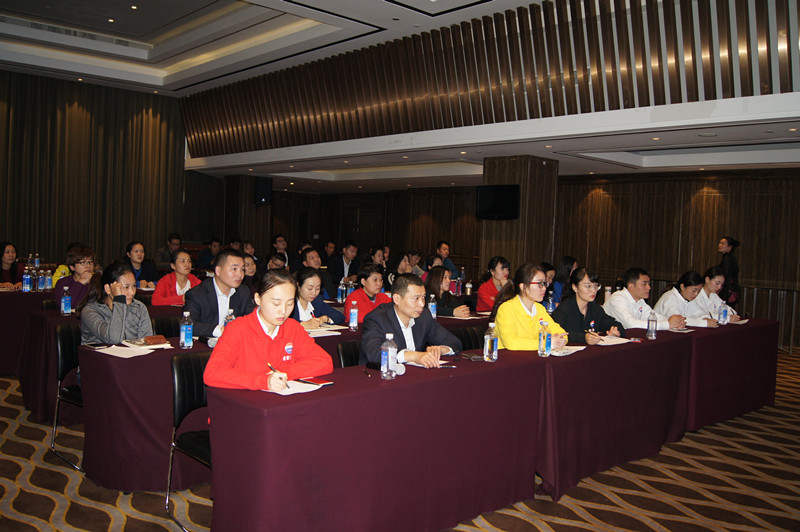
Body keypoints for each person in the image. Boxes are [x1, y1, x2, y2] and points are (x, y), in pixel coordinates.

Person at [203, 269, 333, 391]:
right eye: (276, 303)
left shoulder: (292, 328)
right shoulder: (237, 329)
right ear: (258, 299)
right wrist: (261, 380)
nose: (283, 311)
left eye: (289, 303)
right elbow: (213, 373)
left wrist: (283, 373)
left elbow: (324, 362)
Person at [359, 273, 462, 366]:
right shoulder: (376, 319)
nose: (422, 304)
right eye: (416, 298)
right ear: (397, 299)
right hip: (379, 376)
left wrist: (441, 349)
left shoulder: (424, 316)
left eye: (423, 297)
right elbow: (375, 355)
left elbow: (454, 342)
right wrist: (413, 356)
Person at [491, 263, 568, 350]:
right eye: (539, 284)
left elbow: (560, 332)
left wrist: (560, 340)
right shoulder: (506, 309)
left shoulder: (539, 309)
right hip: (506, 357)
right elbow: (511, 342)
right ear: (523, 286)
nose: (544, 288)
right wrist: (545, 343)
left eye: (544, 283)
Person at [183, 249, 256, 338]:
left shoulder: (243, 292)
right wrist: (222, 330)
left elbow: (254, 320)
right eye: (234, 269)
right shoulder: (197, 294)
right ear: (218, 271)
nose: (240, 274)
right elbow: (189, 326)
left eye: (242, 269)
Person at [78, 262, 153, 345]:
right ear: (108, 289)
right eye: (126, 287)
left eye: (134, 286)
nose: (132, 292)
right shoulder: (90, 311)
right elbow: (114, 339)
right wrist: (119, 300)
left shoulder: (139, 307)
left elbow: (147, 341)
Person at [552, 267, 624, 344]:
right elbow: (557, 334)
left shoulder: (596, 309)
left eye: (596, 286)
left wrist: (616, 331)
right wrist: (584, 338)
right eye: (588, 286)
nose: (593, 290)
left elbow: (615, 324)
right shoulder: (563, 310)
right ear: (575, 287)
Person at [603, 267, 686, 330]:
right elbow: (631, 324)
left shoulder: (640, 301)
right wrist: (667, 324)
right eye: (644, 284)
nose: (649, 288)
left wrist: (675, 322)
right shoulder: (617, 299)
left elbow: (653, 316)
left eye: (649, 284)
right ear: (631, 286)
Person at [654, 270, 718, 328]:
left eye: (699, 291)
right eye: (694, 290)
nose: (696, 294)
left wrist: (706, 318)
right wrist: (704, 323)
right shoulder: (669, 297)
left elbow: (700, 312)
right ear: (682, 287)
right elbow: (678, 320)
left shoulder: (689, 298)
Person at [718, 236, 741, 308]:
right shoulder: (729, 258)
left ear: (730, 247)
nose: (719, 245)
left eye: (722, 244)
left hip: (728, 291)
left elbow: (725, 275)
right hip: (729, 290)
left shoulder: (728, 259)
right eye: (720, 243)